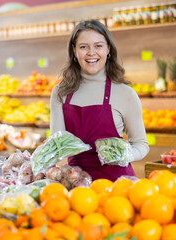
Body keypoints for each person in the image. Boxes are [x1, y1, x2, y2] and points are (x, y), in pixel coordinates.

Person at [50, 19, 149, 181]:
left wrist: (125, 155)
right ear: (74, 51)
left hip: (117, 184)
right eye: (83, 47)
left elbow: (141, 144)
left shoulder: (126, 94)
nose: (91, 53)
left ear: (108, 49)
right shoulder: (60, 93)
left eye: (98, 46)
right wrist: (36, 164)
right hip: (76, 184)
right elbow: (56, 145)